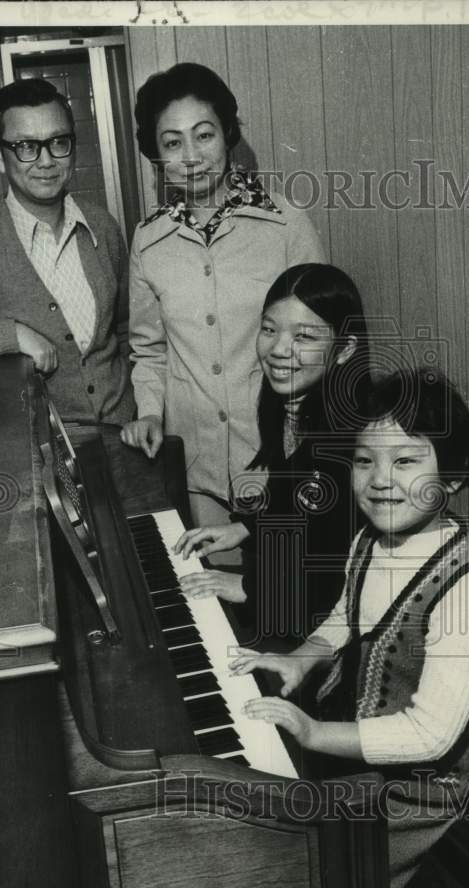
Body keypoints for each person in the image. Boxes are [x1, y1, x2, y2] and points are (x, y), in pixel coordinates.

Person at [230, 367, 469, 888]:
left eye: (406, 461)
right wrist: (301, 658)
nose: (380, 479)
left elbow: (430, 735)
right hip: (350, 736)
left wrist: (315, 735)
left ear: (455, 478)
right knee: (270, 837)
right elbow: (345, 617)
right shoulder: (369, 539)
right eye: (364, 460)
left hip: (420, 787)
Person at [120, 63, 325, 536]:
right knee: (212, 598)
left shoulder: (285, 225)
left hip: (282, 461)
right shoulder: (149, 242)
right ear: (157, 156)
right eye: (172, 143)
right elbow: (149, 351)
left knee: (285, 598)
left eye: (204, 135)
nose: (191, 156)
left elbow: (319, 340)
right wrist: (150, 411)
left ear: (228, 133)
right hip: (198, 471)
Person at [0, 78, 134, 424]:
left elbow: (126, 329)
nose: (46, 161)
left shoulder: (103, 228)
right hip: (37, 453)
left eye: (59, 142)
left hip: (123, 434)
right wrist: (9, 335)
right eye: (27, 147)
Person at [175, 263, 370, 646]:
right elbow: (301, 514)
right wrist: (246, 528)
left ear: (345, 349)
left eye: (305, 337)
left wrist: (248, 587)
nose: (279, 349)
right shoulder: (294, 406)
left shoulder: (352, 444)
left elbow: (333, 574)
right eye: (269, 329)